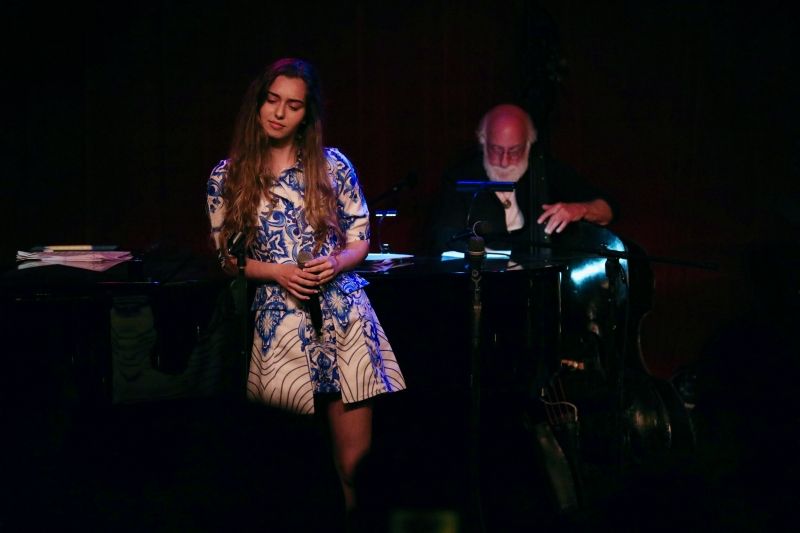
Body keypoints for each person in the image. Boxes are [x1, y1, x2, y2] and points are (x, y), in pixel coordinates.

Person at [205, 58, 406, 521]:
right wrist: (277, 272)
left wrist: (334, 262)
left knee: (354, 467)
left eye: (293, 106)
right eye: (272, 101)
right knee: (284, 467)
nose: (279, 113)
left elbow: (360, 238)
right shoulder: (228, 176)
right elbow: (227, 259)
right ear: (258, 104)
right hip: (279, 325)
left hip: (344, 317)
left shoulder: (332, 165)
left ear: (306, 114)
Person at [428, 103, 617, 256]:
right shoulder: (460, 176)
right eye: (496, 149)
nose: (504, 161)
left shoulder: (547, 170)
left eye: (514, 151)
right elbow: (444, 238)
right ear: (483, 141)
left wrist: (581, 209)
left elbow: (608, 210)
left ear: (528, 144)